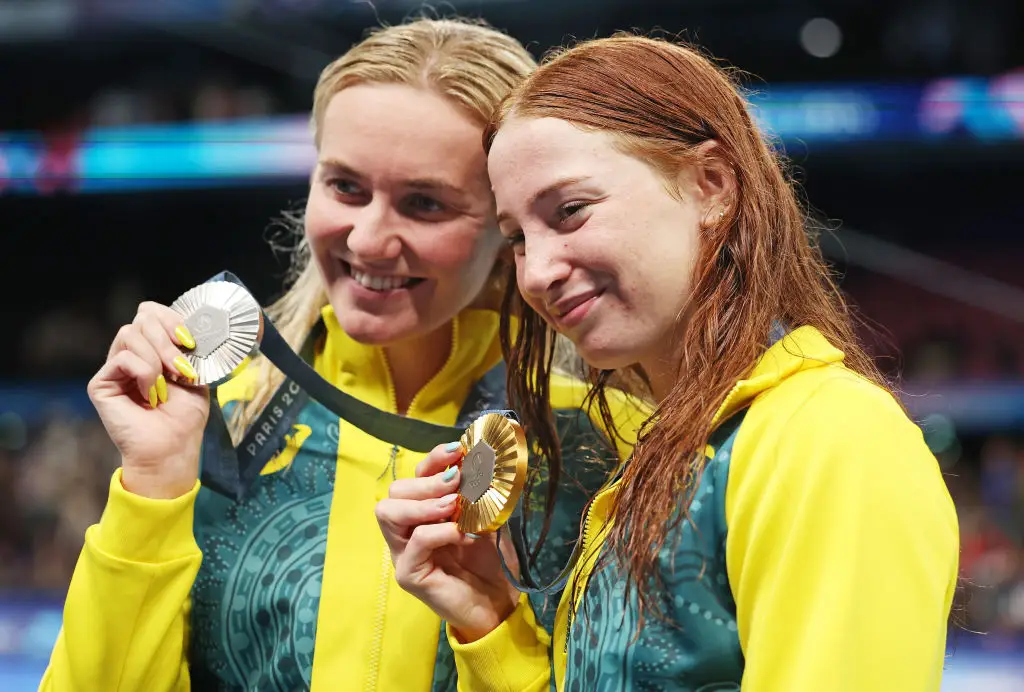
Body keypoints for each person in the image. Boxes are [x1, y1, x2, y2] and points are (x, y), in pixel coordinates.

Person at [39, 20, 645, 692]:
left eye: (424, 204)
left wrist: (491, 631)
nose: (370, 237)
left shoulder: (603, 444)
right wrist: (152, 486)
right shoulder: (212, 419)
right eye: (346, 187)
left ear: (507, 229)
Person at [377, 34, 961, 691]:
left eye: (570, 212)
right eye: (516, 238)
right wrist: (486, 615)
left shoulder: (829, 440)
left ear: (711, 185)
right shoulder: (662, 457)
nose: (536, 272)